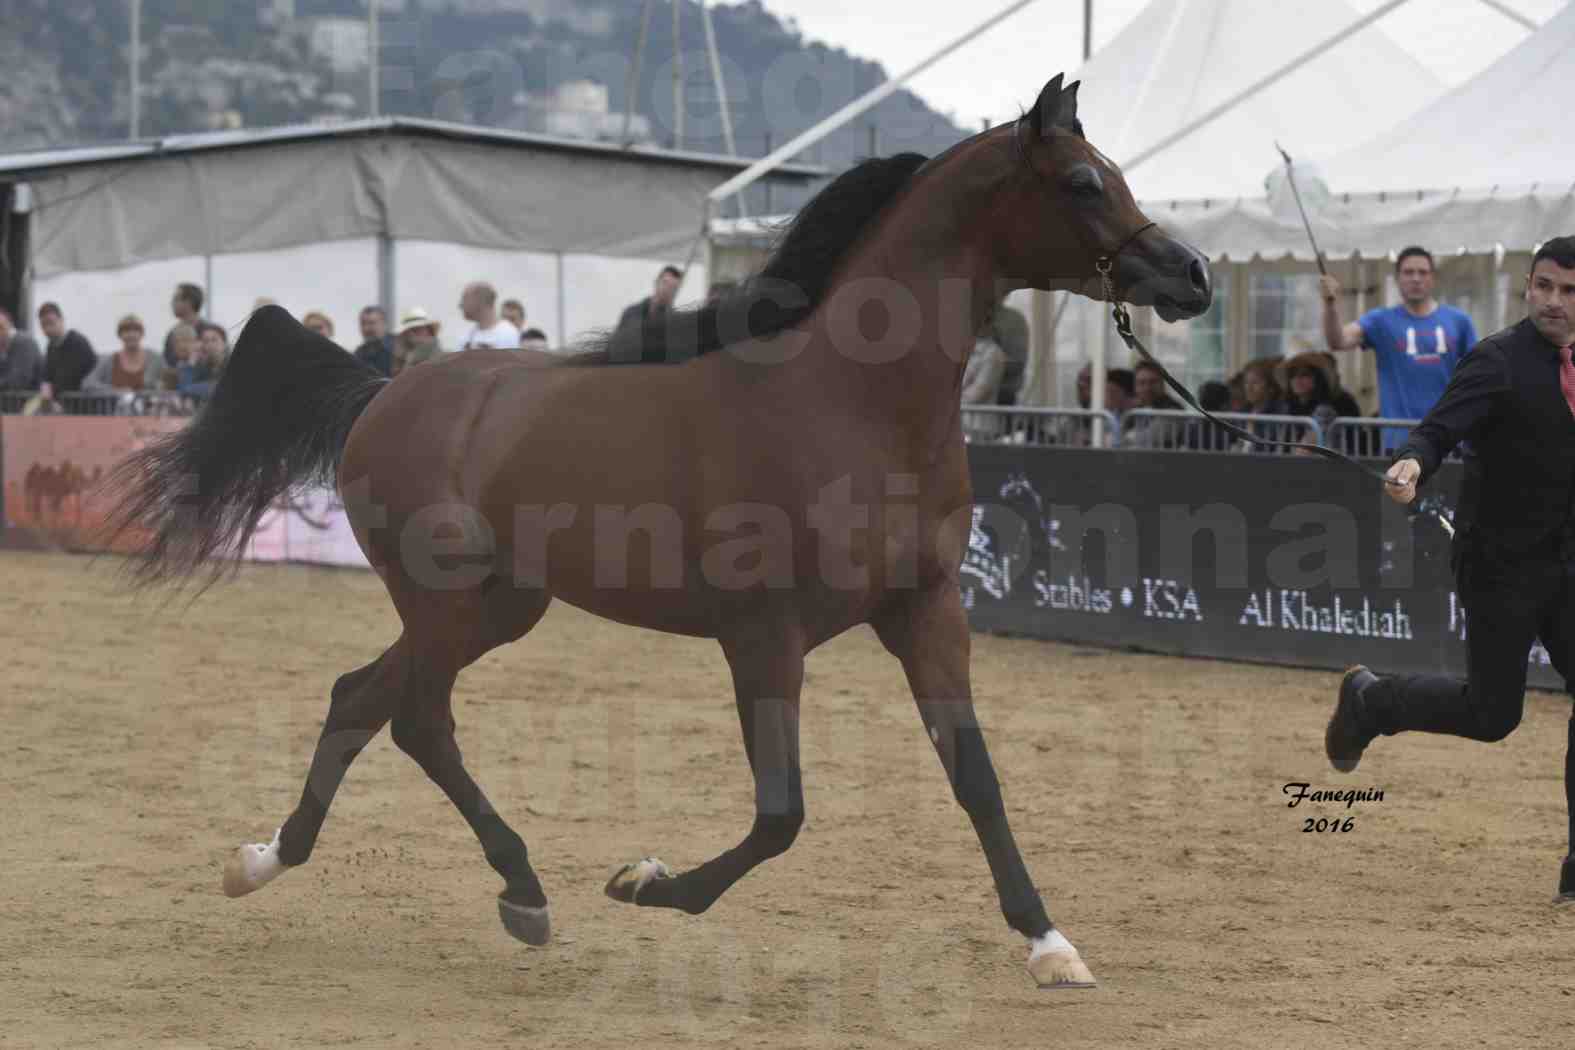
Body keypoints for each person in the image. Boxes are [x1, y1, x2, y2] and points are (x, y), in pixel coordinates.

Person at [1324, 236, 1575, 904]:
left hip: (1569, 563)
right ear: (1527, 285)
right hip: (1500, 564)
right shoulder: (1497, 359)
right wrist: (1411, 462)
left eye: (1569, 291)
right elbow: (1437, 427)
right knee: (1493, 715)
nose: (1553, 302)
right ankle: (1370, 701)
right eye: (1544, 286)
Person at [1321, 247, 1479, 451]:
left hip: (1447, 438)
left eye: (1422, 272)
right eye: (1408, 272)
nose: (1416, 278)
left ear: (1433, 278)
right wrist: (1329, 305)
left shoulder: (1459, 321)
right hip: (1399, 441)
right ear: (1397, 279)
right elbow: (1338, 341)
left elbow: (1476, 374)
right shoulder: (1380, 320)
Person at [37, 302, 97, 404]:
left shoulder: (77, 342)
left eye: (51, 323)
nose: (47, 329)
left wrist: (50, 390)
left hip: (85, 404)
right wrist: (45, 385)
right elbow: (47, 374)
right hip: (67, 402)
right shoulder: (51, 346)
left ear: (61, 320)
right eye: (43, 325)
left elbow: (71, 377)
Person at [84, 314, 162, 393]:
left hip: (147, 404)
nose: (131, 335)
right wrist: (115, 392)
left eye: (136, 330)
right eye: (126, 331)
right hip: (116, 405)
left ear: (142, 334)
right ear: (119, 335)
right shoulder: (110, 360)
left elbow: (167, 382)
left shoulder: (155, 359)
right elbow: (88, 383)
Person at [1123, 360, 1184, 449]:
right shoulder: (1133, 410)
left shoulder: (1173, 409)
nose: (1147, 388)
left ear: (1162, 384)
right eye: (1142, 383)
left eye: (1153, 382)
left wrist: (1127, 437)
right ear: (1135, 387)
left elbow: (1153, 439)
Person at [616, 265, 683, 335]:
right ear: (656, 282)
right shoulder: (631, 313)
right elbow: (617, 342)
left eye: (673, 287)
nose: (667, 289)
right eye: (665, 283)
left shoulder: (675, 321)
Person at [457, 282, 520, 350]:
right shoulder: (466, 337)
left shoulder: (507, 333)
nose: (461, 305)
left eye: (465, 299)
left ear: (480, 300)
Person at [162, 282, 205, 367]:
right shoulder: (171, 334)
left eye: (176, 299)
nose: (172, 303)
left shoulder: (211, 332)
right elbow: (169, 364)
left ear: (189, 302)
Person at [0, 308, 43, 390]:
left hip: (30, 398)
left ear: (10, 324)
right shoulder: (5, 346)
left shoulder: (24, 342)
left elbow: (19, 380)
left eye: (1, 327)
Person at [394, 307, 444, 374]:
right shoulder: (402, 352)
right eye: (409, 331)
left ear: (428, 330)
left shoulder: (433, 350)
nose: (411, 334)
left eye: (417, 329)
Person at [354, 305, 394, 377]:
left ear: (384, 324)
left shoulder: (398, 347)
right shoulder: (359, 354)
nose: (366, 328)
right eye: (363, 324)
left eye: (371, 323)